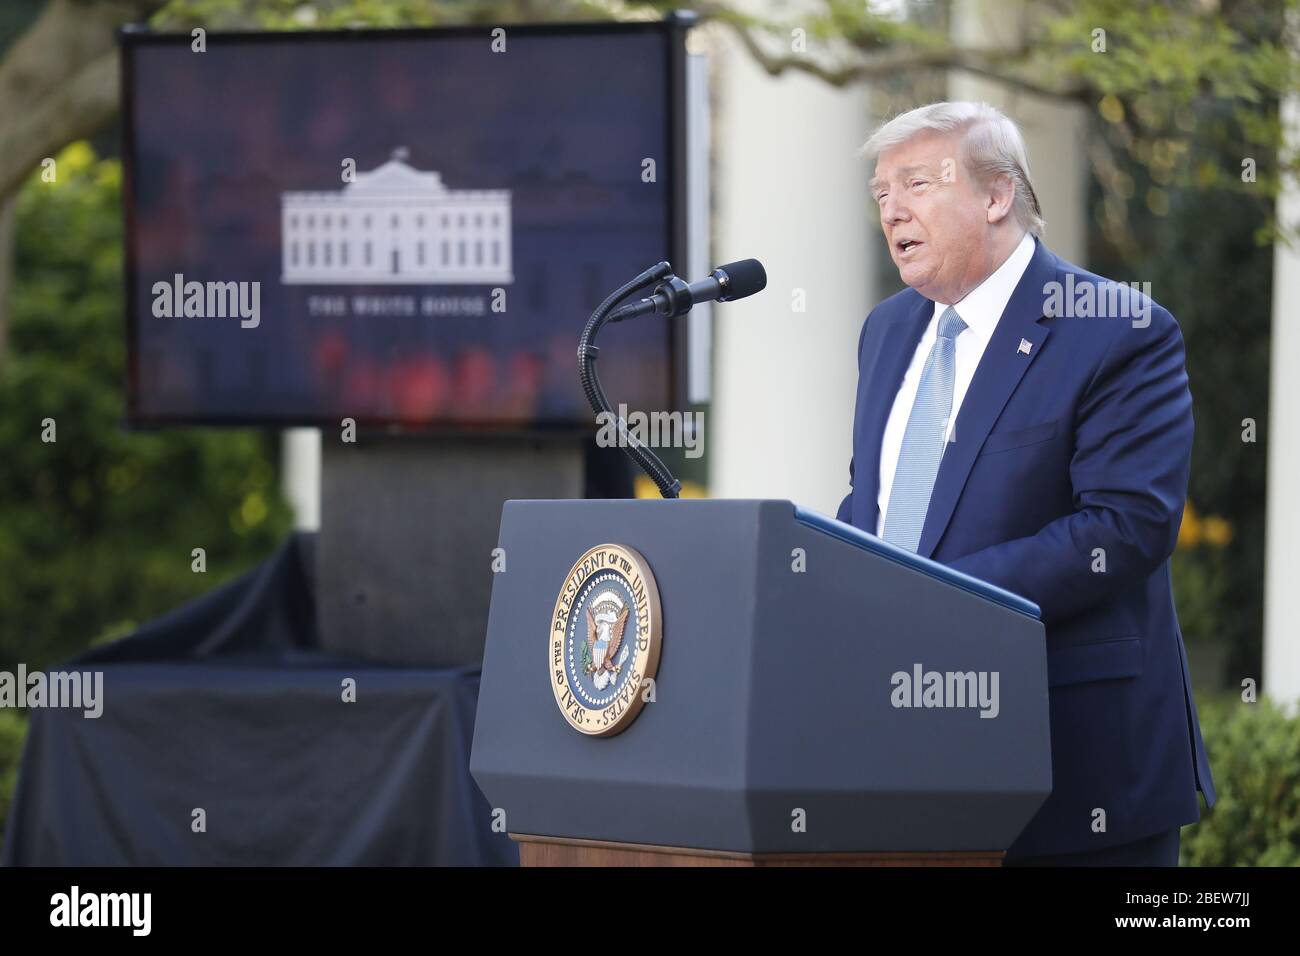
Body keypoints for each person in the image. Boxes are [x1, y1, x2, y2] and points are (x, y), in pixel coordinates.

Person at [837, 101, 1215, 866]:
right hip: (901, 758)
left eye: (916, 183)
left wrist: (923, 597)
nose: (893, 211)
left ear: (996, 195)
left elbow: (1122, 528)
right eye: (882, 194)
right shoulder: (884, 330)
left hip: (1071, 772)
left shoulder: (1118, 327)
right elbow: (873, 512)